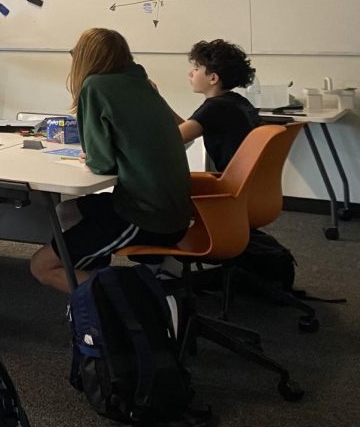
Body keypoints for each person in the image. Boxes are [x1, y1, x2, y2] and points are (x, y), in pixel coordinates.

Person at [30, 28, 192, 293]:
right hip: (174, 209)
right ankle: (97, 277)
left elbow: (101, 163)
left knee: (42, 266)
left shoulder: (96, 86)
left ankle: (137, 300)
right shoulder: (141, 82)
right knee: (67, 211)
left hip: (147, 216)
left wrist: (93, 155)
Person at [166, 39, 261, 173]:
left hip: (231, 184)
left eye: (196, 68)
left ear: (213, 78)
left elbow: (172, 139)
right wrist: (159, 101)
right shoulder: (237, 101)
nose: (190, 73)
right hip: (251, 183)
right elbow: (186, 127)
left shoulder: (214, 108)